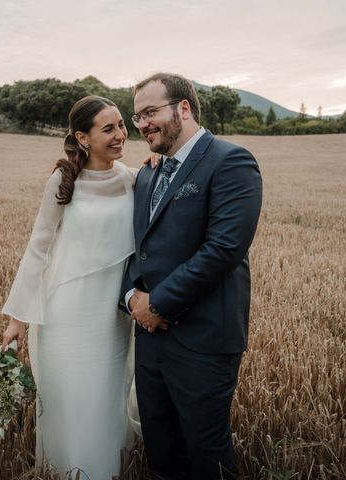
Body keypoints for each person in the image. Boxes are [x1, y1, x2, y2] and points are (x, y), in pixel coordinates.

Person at [121, 73, 263, 480]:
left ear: (183, 108)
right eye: (138, 117)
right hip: (149, 340)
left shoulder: (231, 160)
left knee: (207, 455)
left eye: (151, 112)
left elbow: (223, 250)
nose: (143, 124)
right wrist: (132, 298)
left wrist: (157, 304)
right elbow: (139, 246)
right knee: (161, 453)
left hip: (203, 340)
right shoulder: (148, 173)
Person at [0, 95, 137, 479]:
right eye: (108, 128)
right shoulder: (63, 181)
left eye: (122, 125)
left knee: (106, 397)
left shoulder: (131, 178)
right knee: (70, 399)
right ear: (82, 137)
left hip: (111, 317)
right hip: (65, 314)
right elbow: (38, 250)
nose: (120, 134)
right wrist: (18, 318)